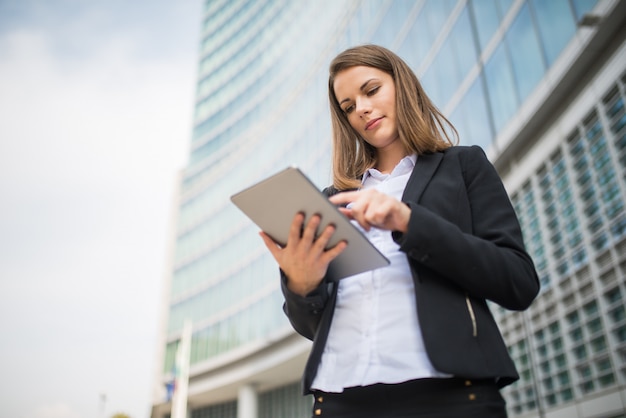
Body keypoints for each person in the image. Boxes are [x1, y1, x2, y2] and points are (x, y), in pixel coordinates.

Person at [260, 44, 540, 418]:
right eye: (347, 107)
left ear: (401, 86)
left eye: (371, 90)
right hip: (340, 399)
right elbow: (312, 326)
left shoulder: (463, 166)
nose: (360, 109)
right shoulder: (332, 201)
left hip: (448, 394)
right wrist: (302, 285)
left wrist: (409, 221)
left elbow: (518, 281)